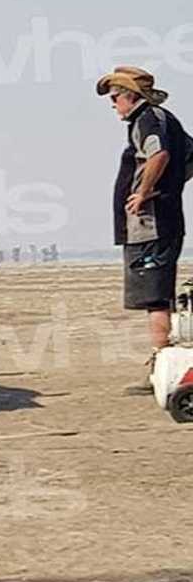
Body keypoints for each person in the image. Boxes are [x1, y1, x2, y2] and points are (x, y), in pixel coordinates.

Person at [96, 66, 186, 368]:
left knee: (155, 296)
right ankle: (164, 362)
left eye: (114, 97)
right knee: (156, 295)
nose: (113, 104)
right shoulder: (160, 119)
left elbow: (159, 155)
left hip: (151, 224)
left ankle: (163, 364)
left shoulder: (148, 119)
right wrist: (169, 187)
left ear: (131, 96)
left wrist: (146, 192)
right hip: (156, 222)